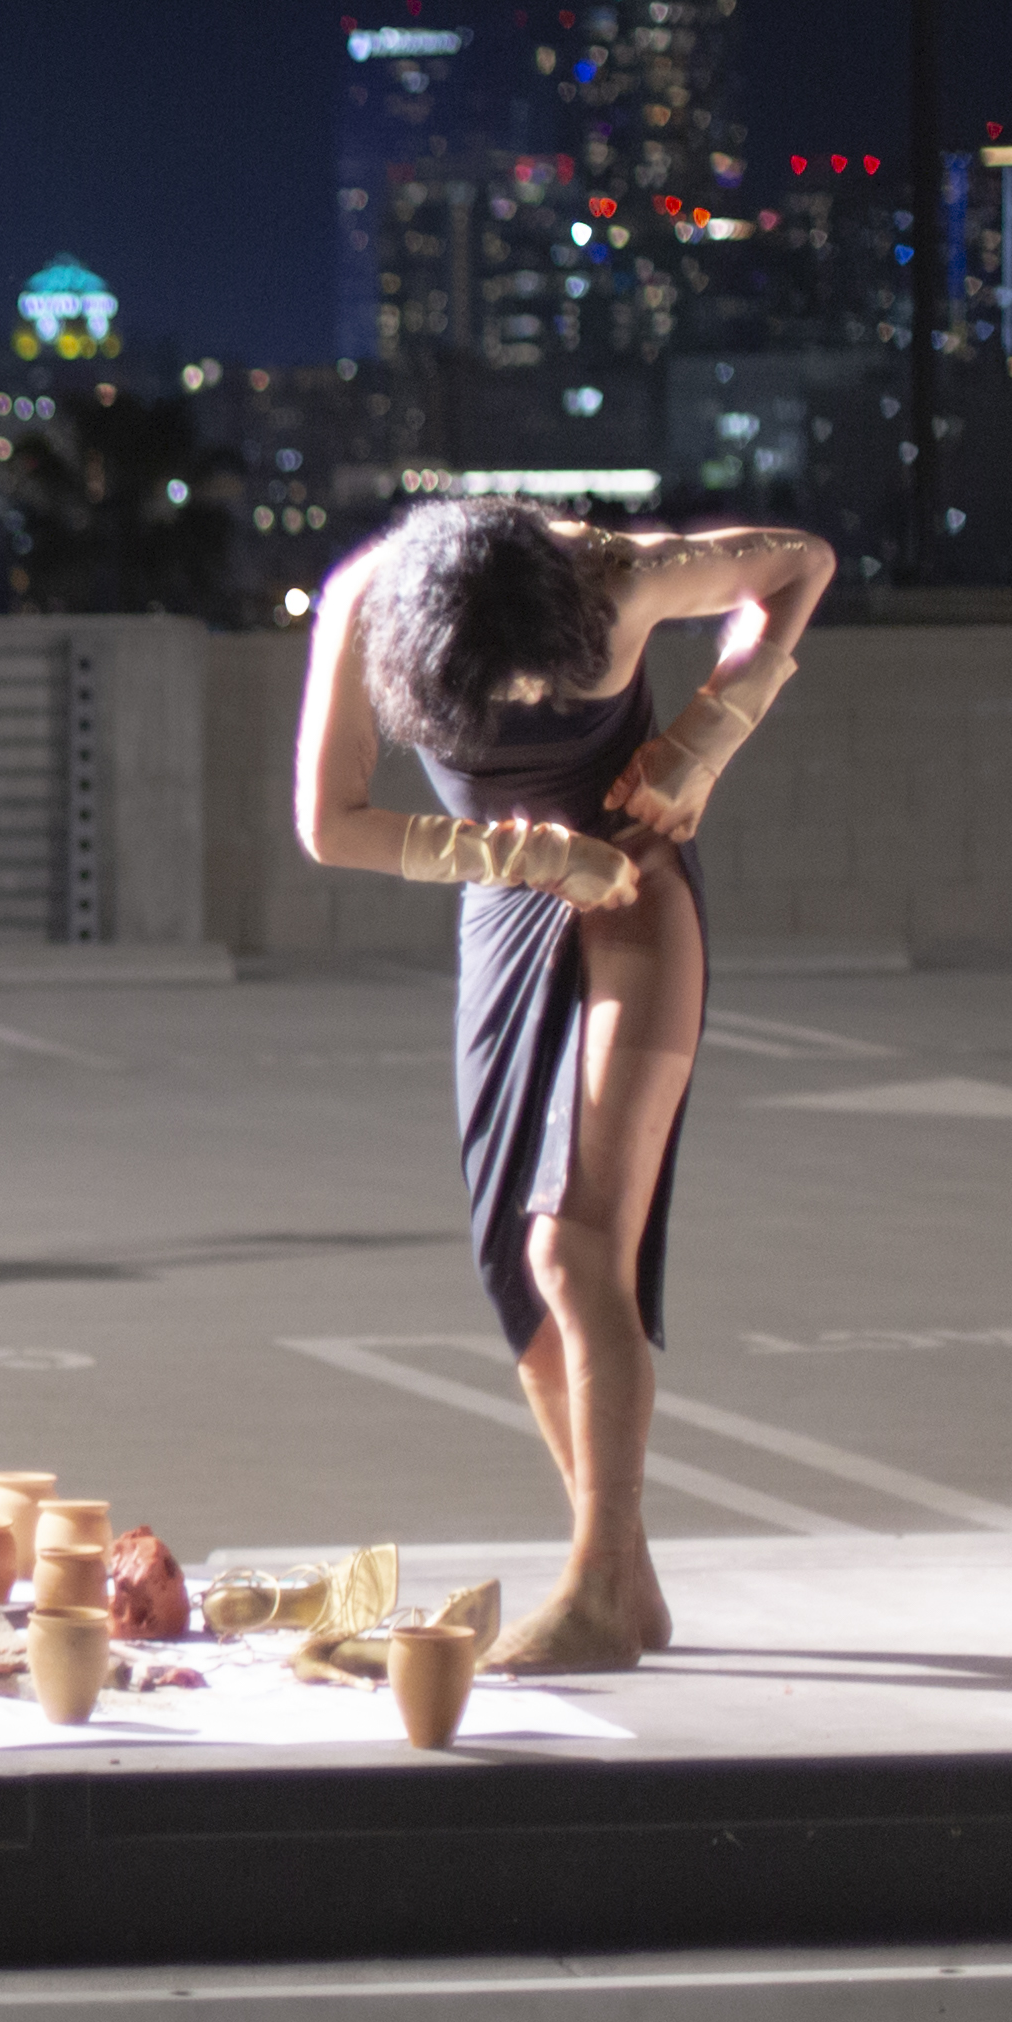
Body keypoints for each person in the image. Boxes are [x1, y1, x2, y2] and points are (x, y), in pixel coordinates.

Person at [295, 497, 831, 1677]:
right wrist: (522, 856)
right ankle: (625, 1585)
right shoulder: (367, 602)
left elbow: (802, 563)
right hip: (506, 896)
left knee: (575, 1248)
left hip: (637, 888)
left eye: (559, 683)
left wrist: (711, 727)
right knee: (511, 1266)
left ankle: (594, 1587)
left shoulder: (615, 574)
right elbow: (330, 825)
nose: (538, 704)